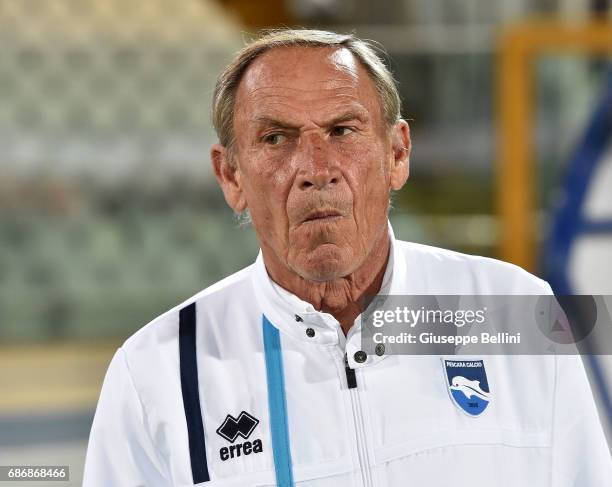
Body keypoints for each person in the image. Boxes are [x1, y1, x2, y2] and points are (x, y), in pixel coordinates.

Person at [83, 29, 611, 486]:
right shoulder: (156, 372)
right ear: (231, 176)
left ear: (397, 153)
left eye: (342, 130)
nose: (317, 168)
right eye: (275, 138)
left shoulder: (518, 314)